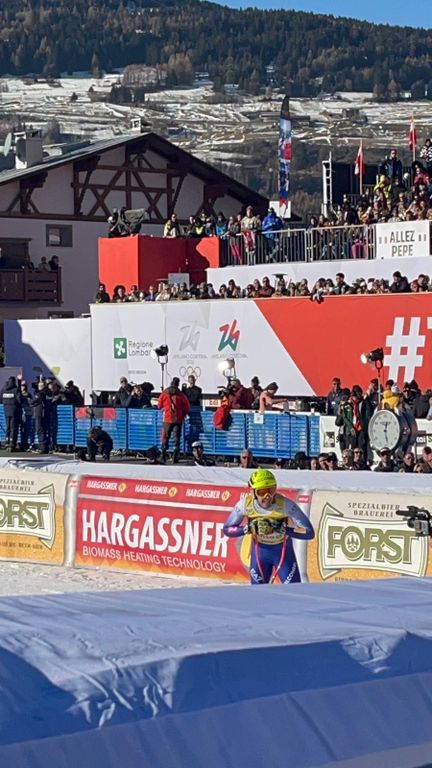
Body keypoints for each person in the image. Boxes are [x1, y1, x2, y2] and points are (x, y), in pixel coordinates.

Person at [223, 469, 314, 585]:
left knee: (294, 590)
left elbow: (309, 532)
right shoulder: (245, 505)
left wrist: (284, 529)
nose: (267, 496)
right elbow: (227, 529)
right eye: (262, 492)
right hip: (260, 554)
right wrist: (248, 528)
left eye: (271, 490)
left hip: (283, 554)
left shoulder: (285, 504)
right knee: (258, 593)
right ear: (253, 492)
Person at [157, 377, 190, 463]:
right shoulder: (181, 394)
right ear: (178, 384)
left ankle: (163, 456)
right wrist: (182, 414)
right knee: (177, 438)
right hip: (178, 419)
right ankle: (175, 457)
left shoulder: (164, 393)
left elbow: (159, 405)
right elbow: (187, 407)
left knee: (165, 437)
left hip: (167, 418)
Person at [1, 375, 21, 450]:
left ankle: (6, 442)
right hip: (14, 411)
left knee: (8, 427)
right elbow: (19, 400)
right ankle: (12, 443)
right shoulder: (15, 390)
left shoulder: (3, 389)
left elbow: (0, 399)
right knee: (13, 428)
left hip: (6, 411)